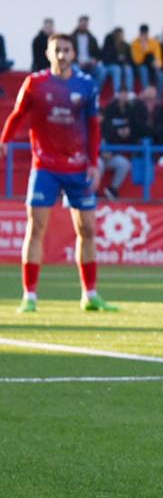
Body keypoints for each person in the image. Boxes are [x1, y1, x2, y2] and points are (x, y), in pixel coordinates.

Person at [1, 34, 117, 313]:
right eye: (57, 50)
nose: (62, 55)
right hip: (45, 167)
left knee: (87, 229)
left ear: (74, 54)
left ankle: (89, 295)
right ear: (48, 53)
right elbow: (17, 114)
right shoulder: (35, 83)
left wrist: (93, 161)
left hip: (78, 168)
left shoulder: (87, 85)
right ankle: (29, 296)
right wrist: (5, 139)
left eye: (67, 50)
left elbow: (94, 126)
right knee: (36, 227)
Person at [130, 23, 163, 98]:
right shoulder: (135, 43)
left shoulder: (154, 42)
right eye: (142, 33)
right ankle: (146, 96)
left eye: (145, 33)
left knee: (161, 75)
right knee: (143, 70)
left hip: (152, 65)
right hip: (141, 66)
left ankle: (158, 98)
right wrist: (144, 49)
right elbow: (137, 61)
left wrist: (157, 65)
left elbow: (158, 58)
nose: (144, 35)